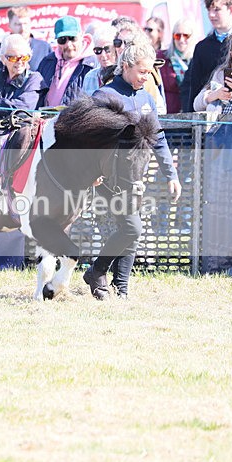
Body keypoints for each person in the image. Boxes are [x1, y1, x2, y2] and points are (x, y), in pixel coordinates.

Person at [83, 41, 181, 300]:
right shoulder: (104, 97)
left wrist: (171, 175)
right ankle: (97, 271)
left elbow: (158, 139)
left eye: (149, 72)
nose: (146, 77)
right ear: (124, 66)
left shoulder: (147, 98)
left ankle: (120, 289)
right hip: (108, 178)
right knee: (132, 229)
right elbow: (89, 138)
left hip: (134, 176)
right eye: (141, 71)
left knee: (131, 233)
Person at [187, 0, 232, 112]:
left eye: (217, 10)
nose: (211, 15)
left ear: (231, 9)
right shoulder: (202, 47)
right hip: (208, 115)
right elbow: (195, 88)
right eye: (208, 10)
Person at [37, 16, 97, 108]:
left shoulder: (93, 64)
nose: (68, 44)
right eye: (62, 40)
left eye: (72, 38)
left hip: (74, 121)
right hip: (44, 119)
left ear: (81, 36)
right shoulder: (47, 61)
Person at [0, 6, 51, 73]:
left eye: (25, 23)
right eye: (17, 24)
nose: (22, 28)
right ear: (9, 25)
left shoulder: (44, 48)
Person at [168, 19, 196, 113]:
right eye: (177, 35)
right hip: (169, 115)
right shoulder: (163, 58)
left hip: (193, 112)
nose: (181, 40)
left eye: (186, 35)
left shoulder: (198, 59)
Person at [81, 24, 118, 96]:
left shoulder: (125, 77)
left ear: (116, 49)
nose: (103, 55)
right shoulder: (89, 77)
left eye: (107, 49)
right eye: (98, 50)